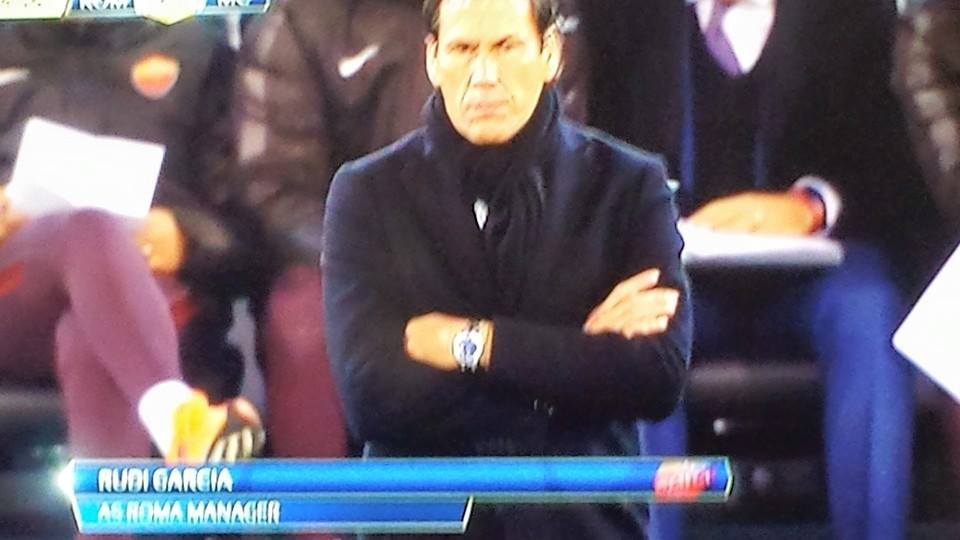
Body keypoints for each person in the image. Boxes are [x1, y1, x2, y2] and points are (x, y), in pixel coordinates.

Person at [322, 0, 692, 537]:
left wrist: (471, 343)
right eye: (463, 49)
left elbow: (656, 376)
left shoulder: (629, 186)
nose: (484, 75)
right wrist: (576, 360)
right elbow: (370, 398)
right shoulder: (366, 193)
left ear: (550, 53)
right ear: (432, 59)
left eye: (505, 47)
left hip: (580, 523)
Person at [583, 0, 944, 538]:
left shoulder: (854, 14)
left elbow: (898, 181)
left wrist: (813, 205)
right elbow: (595, 168)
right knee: (636, 318)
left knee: (871, 310)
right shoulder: (622, 16)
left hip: (817, 282)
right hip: (680, 283)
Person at [232, 0, 593, 459]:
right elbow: (276, 188)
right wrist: (384, 261)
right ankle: (322, 506)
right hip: (355, 255)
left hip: (510, 241)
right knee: (303, 320)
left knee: (596, 310)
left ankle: (566, 495)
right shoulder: (300, 20)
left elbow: (562, 162)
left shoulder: (531, 13)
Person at [0, 17, 264, 496]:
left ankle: (115, 517)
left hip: (151, 292)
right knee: (88, 227)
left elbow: (256, 222)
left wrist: (186, 236)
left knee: (90, 331)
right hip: (16, 286)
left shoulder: (198, 50)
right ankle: (176, 415)